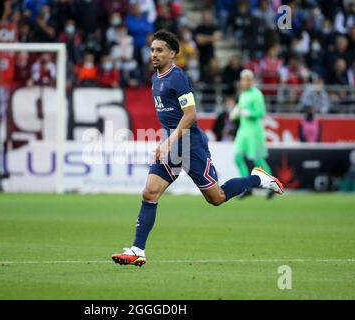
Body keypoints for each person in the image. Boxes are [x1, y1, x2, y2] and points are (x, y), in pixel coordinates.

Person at [111, 31, 284, 267]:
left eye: (160, 50)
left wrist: (169, 141)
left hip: (190, 145)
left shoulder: (178, 78)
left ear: (172, 54)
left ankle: (258, 179)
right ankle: (137, 250)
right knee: (149, 193)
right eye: (152, 50)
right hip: (173, 144)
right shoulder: (156, 78)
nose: (154, 54)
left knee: (216, 198)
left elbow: (191, 115)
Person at [229, 69, 275, 200]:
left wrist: (247, 113)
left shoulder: (257, 94)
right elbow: (240, 112)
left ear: (251, 80)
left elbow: (261, 113)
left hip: (255, 132)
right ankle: (246, 188)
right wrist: (236, 113)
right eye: (242, 79)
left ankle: (272, 186)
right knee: (237, 158)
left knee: (258, 160)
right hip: (243, 132)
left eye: (246, 79)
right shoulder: (243, 94)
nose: (243, 82)